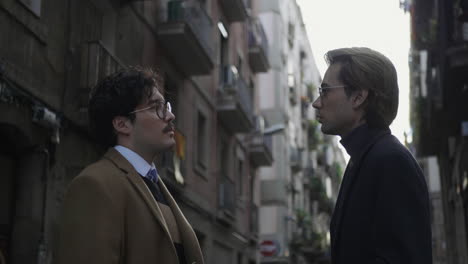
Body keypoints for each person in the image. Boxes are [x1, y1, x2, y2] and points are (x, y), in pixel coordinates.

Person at [55, 67, 204, 264]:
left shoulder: (155, 185)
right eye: (155, 108)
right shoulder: (94, 185)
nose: (170, 116)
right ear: (122, 124)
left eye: (165, 107)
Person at [312, 48, 432, 263]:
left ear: (358, 97)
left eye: (325, 90)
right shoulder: (365, 158)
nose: (316, 102)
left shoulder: (390, 161)